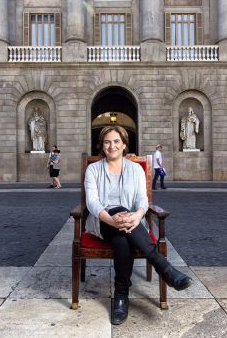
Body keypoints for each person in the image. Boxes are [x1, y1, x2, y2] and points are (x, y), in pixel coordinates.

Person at [84, 125, 192, 325]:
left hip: (132, 223)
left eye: (116, 141)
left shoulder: (135, 169)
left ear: (124, 144)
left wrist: (137, 215)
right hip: (103, 222)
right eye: (107, 141)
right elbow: (92, 202)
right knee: (118, 215)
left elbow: (143, 199)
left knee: (122, 239)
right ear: (102, 145)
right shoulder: (93, 169)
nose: (112, 145)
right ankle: (164, 268)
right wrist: (113, 219)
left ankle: (121, 296)